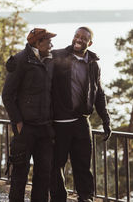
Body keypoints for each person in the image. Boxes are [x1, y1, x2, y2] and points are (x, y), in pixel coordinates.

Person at [50, 27, 112, 202]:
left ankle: (86, 199)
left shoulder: (93, 64)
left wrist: (106, 120)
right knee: (56, 166)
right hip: (59, 123)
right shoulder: (57, 56)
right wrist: (14, 63)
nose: (78, 39)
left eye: (83, 38)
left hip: (82, 123)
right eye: (76, 36)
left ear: (89, 42)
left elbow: (99, 93)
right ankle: (58, 199)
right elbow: (35, 61)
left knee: (83, 166)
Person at [2, 28, 56, 202]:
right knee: (19, 176)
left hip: (45, 129)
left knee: (44, 175)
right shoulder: (19, 60)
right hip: (25, 130)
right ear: (38, 43)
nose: (51, 45)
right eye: (48, 42)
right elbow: (7, 95)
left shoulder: (50, 60)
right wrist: (17, 122)